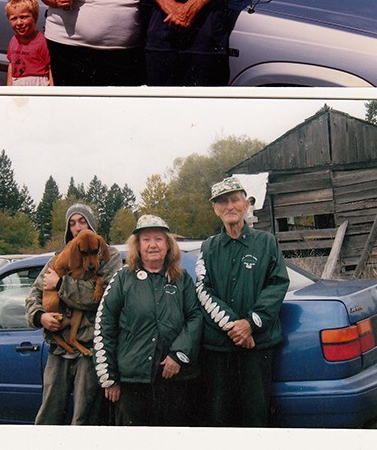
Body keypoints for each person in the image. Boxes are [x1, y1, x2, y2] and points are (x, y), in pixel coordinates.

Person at [195, 177, 289, 427]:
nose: (229, 206)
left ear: (246, 204)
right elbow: (204, 290)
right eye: (222, 202)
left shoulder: (266, 242)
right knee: (220, 417)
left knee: (256, 416)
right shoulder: (208, 247)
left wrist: (251, 324)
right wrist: (234, 327)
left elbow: (278, 283)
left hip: (257, 347)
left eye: (235, 199)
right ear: (215, 209)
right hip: (219, 350)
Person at [94, 214, 202, 426]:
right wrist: (109, 379)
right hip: (133, 381)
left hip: (174, 379)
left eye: (159, 239)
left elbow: (195, 317)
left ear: (168, 245)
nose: (153, 245)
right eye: (146, 239)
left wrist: (178, 355)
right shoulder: (123, 278)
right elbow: (104, 326)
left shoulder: (182, 279)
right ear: (138, 245)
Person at [25, 203, 122, 425]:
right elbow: (35, 293)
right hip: (58, 349)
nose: (77, 227)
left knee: (84, 416)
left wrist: (60, 284)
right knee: (48, 414)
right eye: (72, 223)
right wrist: (40, 316)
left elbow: (102, 297)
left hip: (89, 349)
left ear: (91, 224)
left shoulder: (110, 255)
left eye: (82, 221)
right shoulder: (60, 257)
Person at [5, 0, 53, 86]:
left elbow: (50, 68)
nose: (19, 23)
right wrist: (9, 86)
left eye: (24, 17)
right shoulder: (13, 41)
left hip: (38, 85)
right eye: (14, 19)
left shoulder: (42, 42)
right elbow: (11, 64)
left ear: (34, 18)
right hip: (18, 84)